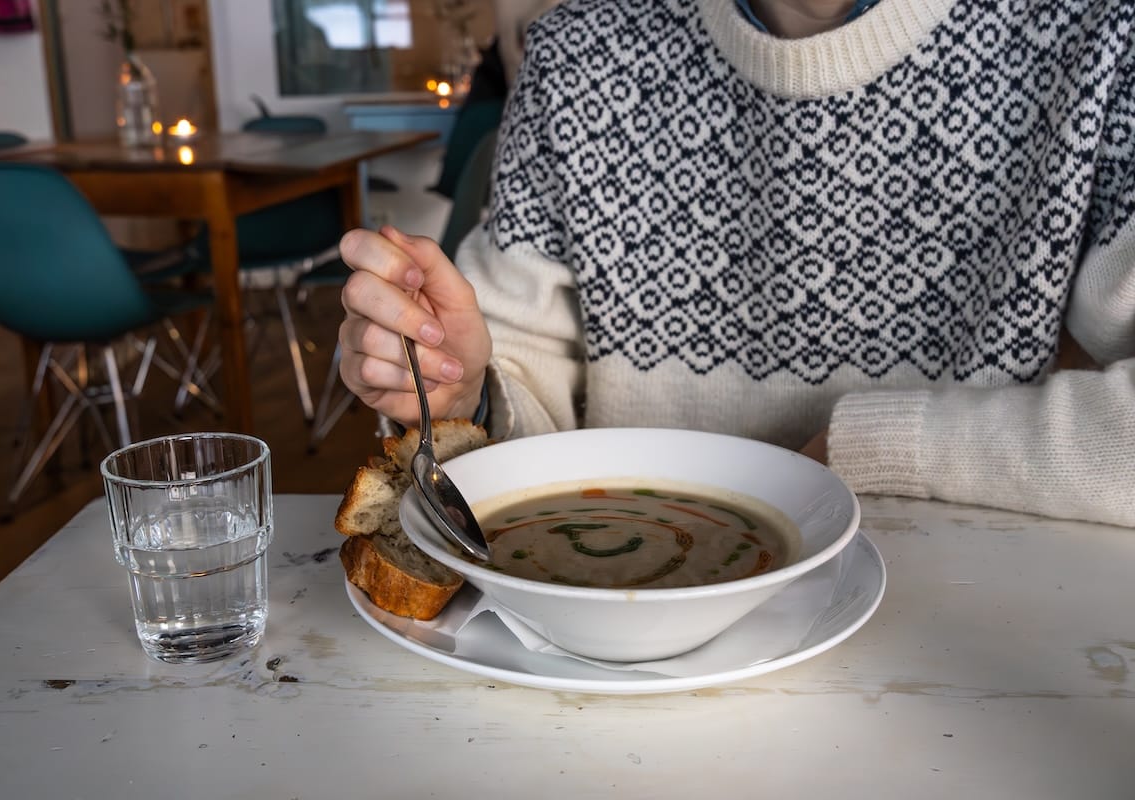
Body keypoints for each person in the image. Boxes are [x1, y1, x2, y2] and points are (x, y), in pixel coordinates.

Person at [337, 0, 1135, 528]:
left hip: (973, 652)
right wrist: (466, 391)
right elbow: (517, 383)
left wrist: (874, 448)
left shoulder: (1098, 38)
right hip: (611, 644)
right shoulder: (578, 50)